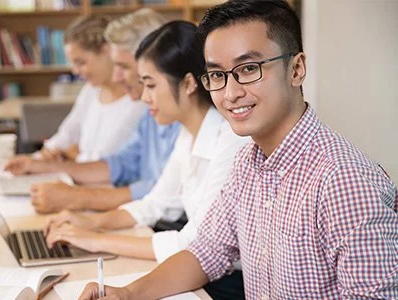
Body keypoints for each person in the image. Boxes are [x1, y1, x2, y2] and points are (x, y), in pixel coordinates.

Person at [77, 1, 398, 299]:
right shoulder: (248, 162)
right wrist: (126, 294)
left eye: (248, 69)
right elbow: (205, 253)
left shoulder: (345, 180)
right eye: (217, 75)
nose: (230, 93)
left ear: (297, 69)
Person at [45, 20, 249, 298]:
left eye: (151, 85)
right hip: (201, 275)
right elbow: (156, 203)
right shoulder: (188, 135)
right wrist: (91, 223)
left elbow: (194, 244)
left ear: (188, 83)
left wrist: (95, 240)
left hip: (228, 285)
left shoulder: (231, 140)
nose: (143, 97)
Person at [7, 9, 181, 214]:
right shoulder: (150, 116)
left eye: (123, 66)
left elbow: (162, 193)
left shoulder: (175, 118)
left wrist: (76, 196)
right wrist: (42, 166)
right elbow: (118, 165)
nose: (116, 77)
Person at [4, 16, 146, 171]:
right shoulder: (90, 91)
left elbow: (107, 160)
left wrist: (72, 156)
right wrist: (41, 157)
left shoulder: (139, 99)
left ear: (107, 51)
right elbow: (66, 135)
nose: (75, 71)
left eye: (81, 62)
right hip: (79, 177)